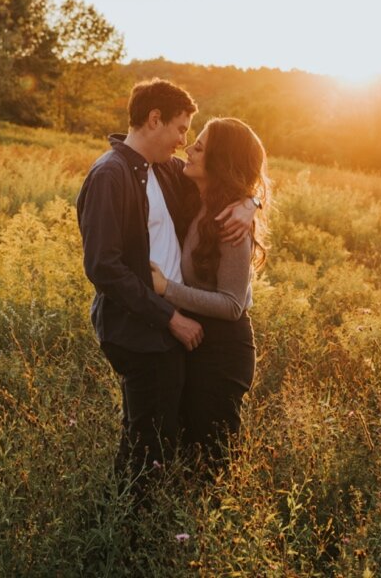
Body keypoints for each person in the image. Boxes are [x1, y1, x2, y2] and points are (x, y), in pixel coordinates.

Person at [76, 79, 258, 499]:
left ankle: (169, 525)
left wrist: (252, 204)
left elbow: (234, 174)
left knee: (174, 440)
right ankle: (126, 532)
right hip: (142, 331)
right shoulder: (112, 174)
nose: (184, 141)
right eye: (180, 129)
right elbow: (103, 266)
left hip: (181, 334)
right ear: (154, 119)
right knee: (148, 443)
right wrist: (170, 316)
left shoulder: (160, 169)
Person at [148, 117, 269, 470]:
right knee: (188, 453)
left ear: (219, 162)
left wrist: (167, 289)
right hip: (196, 342)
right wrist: (254, 200)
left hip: (223, 352)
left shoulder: (230, 223)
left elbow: (232, 305)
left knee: (212, 462)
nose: (188, 149)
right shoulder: (196, 196)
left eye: (199, 147)